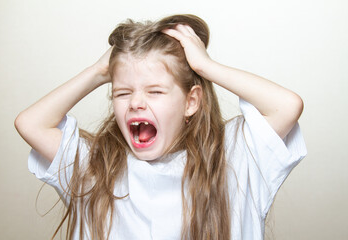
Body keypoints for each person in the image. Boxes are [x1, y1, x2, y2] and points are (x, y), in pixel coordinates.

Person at [15, 14, 307, 240]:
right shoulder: (94, 168)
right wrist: (97, 72)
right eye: (122, 92)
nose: (135, 103)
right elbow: (30, 123)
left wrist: (206, 67)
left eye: (155, 91)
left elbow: (287, 106)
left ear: (191, 102)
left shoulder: (234, 158)